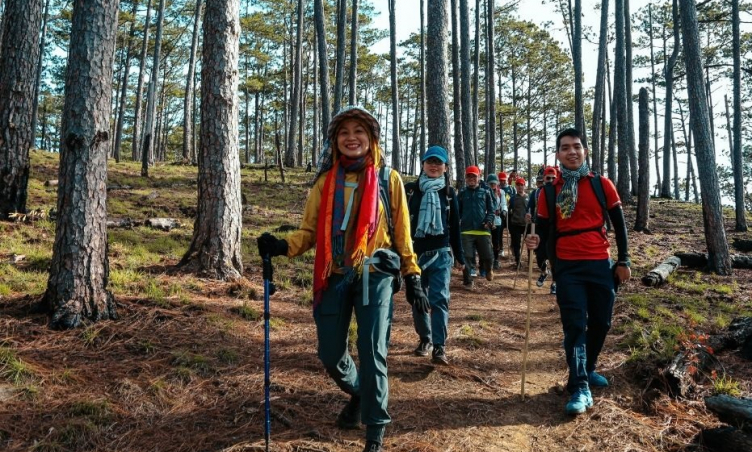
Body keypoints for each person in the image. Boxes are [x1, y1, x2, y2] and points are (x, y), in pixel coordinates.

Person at [257, 106, 429, 452]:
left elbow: (403, 234)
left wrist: (412, 275)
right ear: (335, 141)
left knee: (372, 351)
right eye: (344, 132)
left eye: (359, 131)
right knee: (330, 353)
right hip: (333, 275)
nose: (352, 138)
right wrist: (280, 245)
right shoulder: (325, 181)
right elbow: (308, 233)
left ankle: (374, 432)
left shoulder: (388, 179)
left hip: (375, 275)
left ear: (371, 138)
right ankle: (359, 392)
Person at [525, 128, 631, 416]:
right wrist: (536, 244)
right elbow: (544, 231)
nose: (571, 152)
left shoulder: (602, 184)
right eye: (565, 148)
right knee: (574, 326)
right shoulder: (548, 191)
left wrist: (625, 261)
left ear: (585, 151)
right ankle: (579, 386)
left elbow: (619, 225)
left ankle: (589, 366)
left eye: (576, 146)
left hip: (600, 263)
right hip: (567, 266)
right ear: (558, 155)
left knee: (601, 322)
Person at [404, 145, 465, 365]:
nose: (434, 166)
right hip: (414, 254)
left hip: (441, 254)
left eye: (438, 162)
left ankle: (439, 347)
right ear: (422, 165)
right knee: (418, 299)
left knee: (439, 299)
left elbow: (455, 227)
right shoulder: (410, 191)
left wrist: (460, 256)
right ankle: (425, 339)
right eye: (430, 161)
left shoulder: (449, 194)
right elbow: (400, 224)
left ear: (446, 167)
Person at [458, 165, 495, 288]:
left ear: (479, 177)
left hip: (483, 230)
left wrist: (488, 220)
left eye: (474, 176)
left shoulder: (485, 192)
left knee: (487, 255)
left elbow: (491, 210)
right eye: (469, 176)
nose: (471, 179)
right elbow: (457, 211)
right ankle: (468, 281)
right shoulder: (462, 193)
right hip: (466, 230)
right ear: (466, 178)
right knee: (467, 257)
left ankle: (489, 269)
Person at [526, 173, 549, 288]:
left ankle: (554, 283)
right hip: (538, 225)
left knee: (554, 255)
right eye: (539, 182)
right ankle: (544, 271)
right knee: (539, 254)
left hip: (552, 227)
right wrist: (528, 214)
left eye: (542, 181)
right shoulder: (535, 193)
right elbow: (529, 206)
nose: (541, 184)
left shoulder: (555, 191)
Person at [507, 176, 529, 268]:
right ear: (515, 186)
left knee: (528, 244)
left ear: (524, 186)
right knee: (516, 244)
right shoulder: (512, 198)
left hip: (527, 225)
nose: (520, 187)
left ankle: (529, 261)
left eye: (522, 185)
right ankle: (518, 262)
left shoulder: (529, 197)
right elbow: (509, 210)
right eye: (518, 185)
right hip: (515, 224)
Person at [487, 174, 507, 270]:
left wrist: (504, 210)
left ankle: (496, 260)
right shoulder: (484, 192)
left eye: (494, 183)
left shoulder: (501, 192)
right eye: (491, 183)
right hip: (486, 219)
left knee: (496, 241)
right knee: (486, 240)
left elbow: (503, 203)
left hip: (497, 218)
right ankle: (487, 259)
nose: (492, 185)